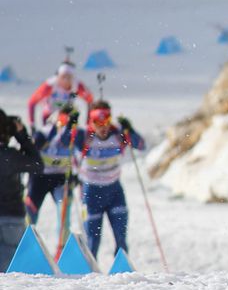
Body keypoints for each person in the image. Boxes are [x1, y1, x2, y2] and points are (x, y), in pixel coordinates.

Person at [71, 100, 145, 259]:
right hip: (91, 193)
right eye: (98, 122)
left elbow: (141, 145)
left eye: (106, 121)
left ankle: (122, 276)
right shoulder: (84, 135)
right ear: (91, 121)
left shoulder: (118, 133)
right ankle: (89, 278)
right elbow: (65, 142)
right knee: (92, 242)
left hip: (114, 192)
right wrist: (71, 125)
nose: (103, 127)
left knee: (121, 241)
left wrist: (130, 129)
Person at [25, 104, 80, 251]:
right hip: (39, 178)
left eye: (68, 121)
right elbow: (35, 146)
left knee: (64, 209)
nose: (65, 123)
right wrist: (60, 128)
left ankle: (61, 249)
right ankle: (24, 246)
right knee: (30, 215)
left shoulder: (73, 134)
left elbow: (80, 153)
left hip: (60, 178)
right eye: (62, 119)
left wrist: (76, 177)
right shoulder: (45, 132)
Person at [0, 109, 43, 272]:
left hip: (12, 217)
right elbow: (38, 165)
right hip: (12, 217)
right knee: (8, 276)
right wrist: (22, 136)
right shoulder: (10, 156)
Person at [28, 62, 94, 132]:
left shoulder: (77, 85)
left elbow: (90, 101)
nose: (65, 80)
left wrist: (88, 123)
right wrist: (32, 124)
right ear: (58, 76)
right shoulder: (50, 85)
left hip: (68, 118)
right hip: (49, 117)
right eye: (63, 77)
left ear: (73, 77)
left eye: (68, 77)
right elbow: (32, 102)